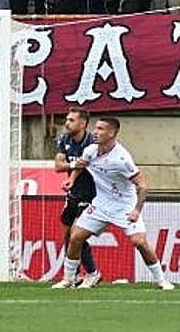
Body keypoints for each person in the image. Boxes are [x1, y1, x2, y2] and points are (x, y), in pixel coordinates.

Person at [57, 117, 174, 291]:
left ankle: (162, 280)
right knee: (75, 237)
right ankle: (68, 279)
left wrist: (136, 210)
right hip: (101, 204)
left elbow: (142, 186)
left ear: (112, 133)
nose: (95, 132)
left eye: (101, 129)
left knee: (139, 242)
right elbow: (82, 164)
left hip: (124, 206)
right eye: (96, 128)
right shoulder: (90, 150)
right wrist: (72, 179)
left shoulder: (122, 159)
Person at [50, 108, 100, 289]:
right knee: (67, 235)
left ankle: (93, 273)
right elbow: (58, 166)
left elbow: (87, 164)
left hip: (93, 195)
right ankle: (76, 275)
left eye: (71, 120)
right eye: (67, 119)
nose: (66, 123)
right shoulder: (65, 139)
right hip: (73, 194)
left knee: (75, 234)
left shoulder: (93, 143)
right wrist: (73, 166)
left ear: (83, 123)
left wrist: (73, 170)